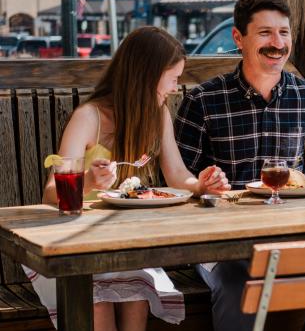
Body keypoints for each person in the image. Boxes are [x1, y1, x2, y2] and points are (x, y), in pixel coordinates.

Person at [26, 26, 231, 331]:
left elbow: (176, 174)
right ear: (147, 75)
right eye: (173, 78)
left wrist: (200, 185)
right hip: (75, 248)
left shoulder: (156, 113)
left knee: (136, 286)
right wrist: (90, 181)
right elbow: (51, 192)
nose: (176, 87)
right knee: (98, 303)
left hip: (125, 244)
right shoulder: (89, 117)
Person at [174, 0, 305, 331]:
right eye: (265, 33)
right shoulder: (203, 100)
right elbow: (178, 177)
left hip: (292, 231)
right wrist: (203, 186)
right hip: (223, 238)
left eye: (283, 33)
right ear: (238, 38)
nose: (277, 43)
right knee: (240, 284)